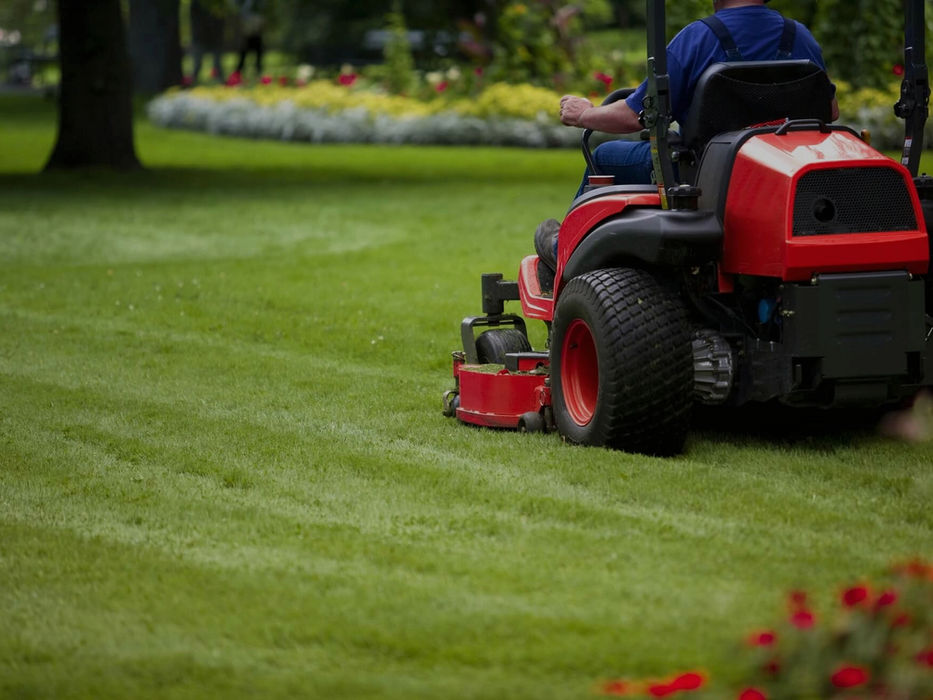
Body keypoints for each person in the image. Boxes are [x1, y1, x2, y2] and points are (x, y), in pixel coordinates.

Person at [535, 0, 839, 285]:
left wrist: (585, 114)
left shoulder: (698, 38)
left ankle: (562, 250)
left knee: (604, 155)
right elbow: (831, 110)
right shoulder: (799, 36)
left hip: (702, 178)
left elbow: (633, 115)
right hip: (783, 177)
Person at [189, 0, 226, 85]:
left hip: (215, 36)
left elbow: (221, 16)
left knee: (217, 62)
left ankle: (220, 80)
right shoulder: (196, 3)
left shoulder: (218, 3)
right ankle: (192, 80)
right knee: (197, 63)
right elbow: (194, 19)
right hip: (200, 36)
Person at [234, 0, 266, 78]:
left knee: (258, 57)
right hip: (248, 36)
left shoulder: (258, 8)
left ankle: (258, 72)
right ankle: (238, 73)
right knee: (243, 56)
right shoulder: (247, 7)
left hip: (256, 36)